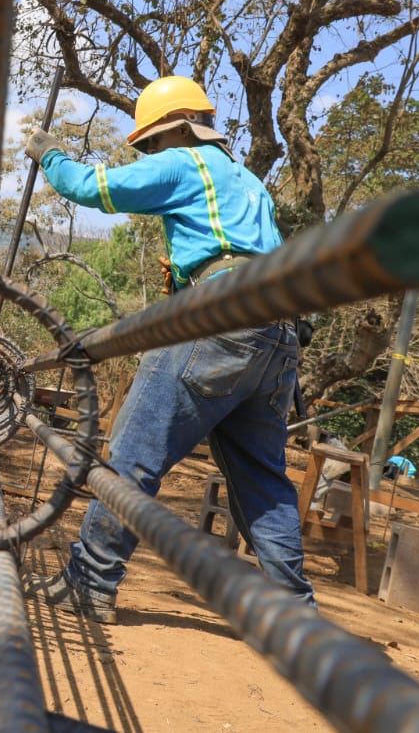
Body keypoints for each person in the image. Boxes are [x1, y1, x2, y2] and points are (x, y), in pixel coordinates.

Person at [20, 75, 314, 622]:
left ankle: (92, 579)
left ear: (175, 130)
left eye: (150, 143)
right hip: (278, 336)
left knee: (134, 452)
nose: (151, 153)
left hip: (218, 318)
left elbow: (94, 188)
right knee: (263, 480)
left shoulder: (185, 162)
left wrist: (49, 154)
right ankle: (295, 611)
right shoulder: (250, 182)